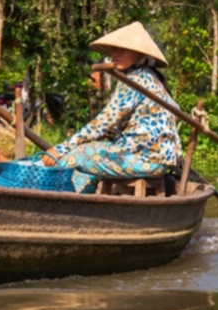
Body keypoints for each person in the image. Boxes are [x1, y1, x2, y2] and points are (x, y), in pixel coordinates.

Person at [40, 22, 181, 194]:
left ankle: (43, 188)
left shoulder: (136, 80)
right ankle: (78, 205)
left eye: (123, 50)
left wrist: (60, 149)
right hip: (151, 158)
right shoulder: (149, 77)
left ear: (139, 54)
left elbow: (102, 122)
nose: (116, 54)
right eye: (114, 50)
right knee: (84, 173)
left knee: (79, 154)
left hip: (146, 159)